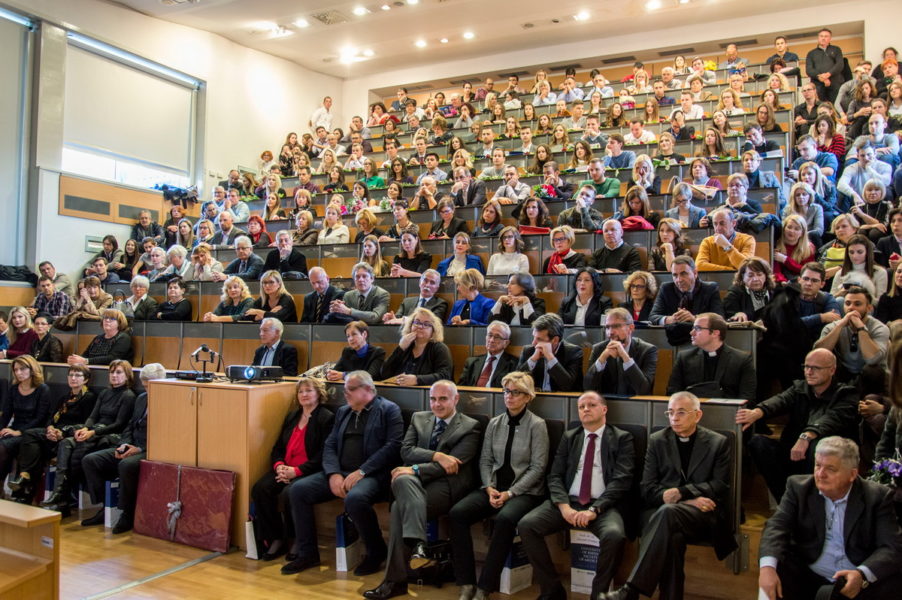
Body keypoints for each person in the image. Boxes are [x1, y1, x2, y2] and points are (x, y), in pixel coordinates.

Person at [599, 392, 735, 600]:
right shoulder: (657, 440)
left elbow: (720, 485)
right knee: (673, 536)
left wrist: (682, 493)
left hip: (703, 514)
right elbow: (647, 488)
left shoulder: (718, 443)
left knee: (668, 512)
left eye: (681, 412)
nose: (674, 418)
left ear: (698, 415)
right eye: (670, 413)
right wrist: (687, 499)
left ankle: (631, 590)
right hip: (660, 512)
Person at [363, 380, 482, 600]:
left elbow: (453, 465)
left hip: (448, 486)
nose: (437, 404)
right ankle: (417, 545)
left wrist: (416, 469)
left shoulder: (470, 426)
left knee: (400, 504)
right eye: (433, 399)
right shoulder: (419, 418)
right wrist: (436, 455)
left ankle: (394, 581)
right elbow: (406, 451)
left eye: (443, 399)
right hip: (416, 484)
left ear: (456, 399)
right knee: (400, 478)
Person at [283, 371, 403, 576]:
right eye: (345, 388)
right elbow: (329, 445)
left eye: (350, 389)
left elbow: (393, 447)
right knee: (297, 490)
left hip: (372, 474)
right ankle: (307, 553)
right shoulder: (343, 412)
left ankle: (376, 552)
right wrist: (333, 474)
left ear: (367, 389)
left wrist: (362, 471)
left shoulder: (388, 410)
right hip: (340, 472)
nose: (344, 393)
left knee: (355, 499)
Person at [519, 391, 635, 600]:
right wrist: (564, 506)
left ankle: (598, 595)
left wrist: (594, 509)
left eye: (591, 405)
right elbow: (554, 476)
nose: (585, 410)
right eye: (581, 407)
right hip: (568, 502)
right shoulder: (570, 436)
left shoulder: (622, 438)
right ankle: (552, 590)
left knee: (614, 535)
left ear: (604, 409)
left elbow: (622, 481)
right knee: (527, 525)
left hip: (603, 506)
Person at [758, 436, 902, 600]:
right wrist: (767, 569)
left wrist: (862, 574)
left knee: (892, 581)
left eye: (830, 469)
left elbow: (891, 547)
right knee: (773, 567)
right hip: (809, 574)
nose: (820, 474)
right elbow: (776, 527)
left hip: (855, 577)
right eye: (818, 465)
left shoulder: (877, 497)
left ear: (852, 474)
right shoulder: (798, 488)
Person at [449, 372, 548, 600]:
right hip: (493, 488)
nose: (509, 397)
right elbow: (485, 460)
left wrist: (510, 493)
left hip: (524, 492)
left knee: (504, 520)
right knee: (458, 514)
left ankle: (485, 587)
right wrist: (488, 486)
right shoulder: (495, 423)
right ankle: (466, 582)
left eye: (515, 392)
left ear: (528, 397)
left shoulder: (537, 425)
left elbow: (537, 467)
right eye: (506, 391)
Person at [737, 348, 858, 503]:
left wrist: (806, 436)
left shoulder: (846, 394)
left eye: (815, 368)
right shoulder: (800, 387)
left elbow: (830, 420)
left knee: (817, 446)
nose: (809, 372)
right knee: (758, 443)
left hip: (827, 458)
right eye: (806, 367)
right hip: (794, 452)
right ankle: (787, 502)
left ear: (832, 370)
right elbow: (780, 400)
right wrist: (757, 412)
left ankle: (813, 505)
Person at [246, 377, 335, 559]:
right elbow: (278, 447)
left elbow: (323, 454)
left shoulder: (326, 418)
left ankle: (295, 540)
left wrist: (297, 471)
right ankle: (275, 538)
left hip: (308, 470)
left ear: (319, 393)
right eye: (301, 392)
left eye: (309, 391)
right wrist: (279, 466)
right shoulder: (292, 416)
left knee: (290, 493)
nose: (304, 395)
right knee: (260, 489)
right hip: (285, 467)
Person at [41, 359, 137, 517]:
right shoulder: (105, 393)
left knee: (77, 454)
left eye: (119, 372)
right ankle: (60, 495)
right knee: (66, 442)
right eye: (112, 372)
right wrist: (85, 428)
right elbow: (93, 417)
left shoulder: (128, 395)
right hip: (94, 430)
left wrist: (92, 433)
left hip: (110, 435)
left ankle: (63, 498)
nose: (114, 376)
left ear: (127, 376)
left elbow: (119, 424)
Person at [79, 363, 167, 532]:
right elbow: (129, 426)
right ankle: (106, 506)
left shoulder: (170, 404)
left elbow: (166, 436)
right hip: (132, 445)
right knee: (91, 460)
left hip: (149, 449)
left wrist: (139, 449)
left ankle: (126, 513)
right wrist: (124, 445)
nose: (148, 390)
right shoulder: (141, 399)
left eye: (151, 386)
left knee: (126, 465)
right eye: (145, 386)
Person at [6, 364, 95, 504]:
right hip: (54, 434)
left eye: (77, 375)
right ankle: (24, 482)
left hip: (70, 436)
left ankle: (24, 489)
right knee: (30, 438)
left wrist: (62, 432)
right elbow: (51, 418)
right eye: (71, 375)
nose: (73, 378)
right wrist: (50, 429)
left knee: (34, 450)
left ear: (86, 380)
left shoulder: (89, 398)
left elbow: (86, 424)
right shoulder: (65, 397)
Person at [666, 312, 756, 400]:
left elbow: (747, 396)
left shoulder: (742, 359)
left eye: (697, 328)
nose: (691, 333)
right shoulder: (684, 358)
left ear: (715, 333)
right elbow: (673, 392)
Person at [815, 286, 891, 383]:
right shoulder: (833, 327)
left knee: (872, 370)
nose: (851, 308)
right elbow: (818, 353)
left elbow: (872, 360)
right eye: (847, 303)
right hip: (843, 373)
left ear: (869, 308)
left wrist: (861, 328)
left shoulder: (880, 328)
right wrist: (840, 325)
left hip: (871, 377)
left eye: (857, 304)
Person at [0, 356, 51, 486]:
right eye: (16, 370)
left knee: (2, 448)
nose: (19, 373)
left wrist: (19, 432)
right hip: (14, 429)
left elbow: (40, 418)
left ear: (32, 369)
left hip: (32, 433)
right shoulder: (13, 389)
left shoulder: (42, 389)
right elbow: (6, 414)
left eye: (22, 369)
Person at [584, 308, 658, 396]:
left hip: (637, 405)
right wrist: (603, 357)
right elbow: (587, 387)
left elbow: (644, 390)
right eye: (607, 327)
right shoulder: (599, 349)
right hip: (607, 404)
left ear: (631, 328)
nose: (610, 332)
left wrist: (624, 356)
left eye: (616, 326)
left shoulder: (647, 350)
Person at [380, 307, 453, 387]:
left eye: (426, 324)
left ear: (433, 330)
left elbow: (445, 376)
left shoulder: (439, 348)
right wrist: (400, 348)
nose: (420, 327)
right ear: (410, 326)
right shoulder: (405, 346)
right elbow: (384, 373)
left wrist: (417, 380)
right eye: (417, 322)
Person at [516, 313, 583, 392]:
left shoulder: (573, 352)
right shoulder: (528, 351)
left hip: (562, 401)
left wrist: (550, 357)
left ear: (555, 340)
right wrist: (533, 359)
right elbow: (516, 383)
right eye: (534, 337)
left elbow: (567, 386)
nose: (534, 343)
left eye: (539, 339)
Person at [457, 321, 519, 388]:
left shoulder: (513, 364)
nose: (491, 340)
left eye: (497, 337)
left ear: (506, 343)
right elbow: (461, 388)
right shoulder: (471, 362)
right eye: (490, 335)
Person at [326, 262, 390, 325]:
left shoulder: (382, 294)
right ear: (354, 279)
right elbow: (344, 318)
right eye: (357, 277)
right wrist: (336, 309)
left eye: (364, 276)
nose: (361, 280)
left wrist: (349, 311)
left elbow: (375, 317)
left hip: (374, 332)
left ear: (372, 279)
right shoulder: (348, 295)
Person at [67, 309, 133, 365]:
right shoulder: (98, 338)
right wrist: (75, 359)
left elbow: (113, 358)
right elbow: (85, 355)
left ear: (119, 322)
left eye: (112, 318)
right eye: (105, 318)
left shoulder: (123, 338)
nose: (107, 320)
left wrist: (86, 361)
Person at [830, 235, 888, 299]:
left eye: (860, 252)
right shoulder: (840, 273)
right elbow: (831, 301)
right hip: (844, 305)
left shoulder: (880, 272)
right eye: (851, 252)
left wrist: (863, 294)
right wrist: (839, 294)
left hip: (869, 307)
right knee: (839, 299)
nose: (855, 256)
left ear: (867, 252)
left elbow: (880, 303)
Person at [382, 269, 448, 325]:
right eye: (425, 280)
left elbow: (433, 322)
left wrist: (405, 320)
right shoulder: (407, 301)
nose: (427, 285)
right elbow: (397, 319)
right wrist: (392, 318)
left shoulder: (440, 304)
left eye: (432, 282)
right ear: (420, 283)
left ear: (436, 288)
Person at [806, 28, 846, 103]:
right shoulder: (811, 53)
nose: (823, 38)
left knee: (837, 106)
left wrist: (828, 74)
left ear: (830, 38)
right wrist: (821, 77)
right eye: (821, 36)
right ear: (818, 38)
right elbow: (809, 70)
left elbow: (840, 65)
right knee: (820, 106)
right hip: (818, 85)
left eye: (826, 36)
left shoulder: (836, 49)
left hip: (835, 84)